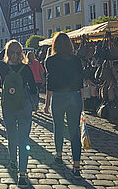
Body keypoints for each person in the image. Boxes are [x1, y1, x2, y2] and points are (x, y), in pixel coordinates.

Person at [0, 40, 36, 188]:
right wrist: (34, 105)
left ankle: (13, 161)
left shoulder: (2, 67)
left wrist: (7, 49)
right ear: (21, 53)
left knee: (11, 135)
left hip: (8, 106)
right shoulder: (26, 69)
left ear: (7, 53)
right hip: (24, 106)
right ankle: (23, 173)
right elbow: (33, 89)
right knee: (24, 140)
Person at [44, 32, 84, 178]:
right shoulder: (76, 60)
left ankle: (59, 156)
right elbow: (80, 82)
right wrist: (82, 101)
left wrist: (47, 103)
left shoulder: (51, 60)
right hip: (74, 97)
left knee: (58, 127)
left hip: (59, 97)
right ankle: (76, 165)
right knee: (75, 131)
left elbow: (50, 83)